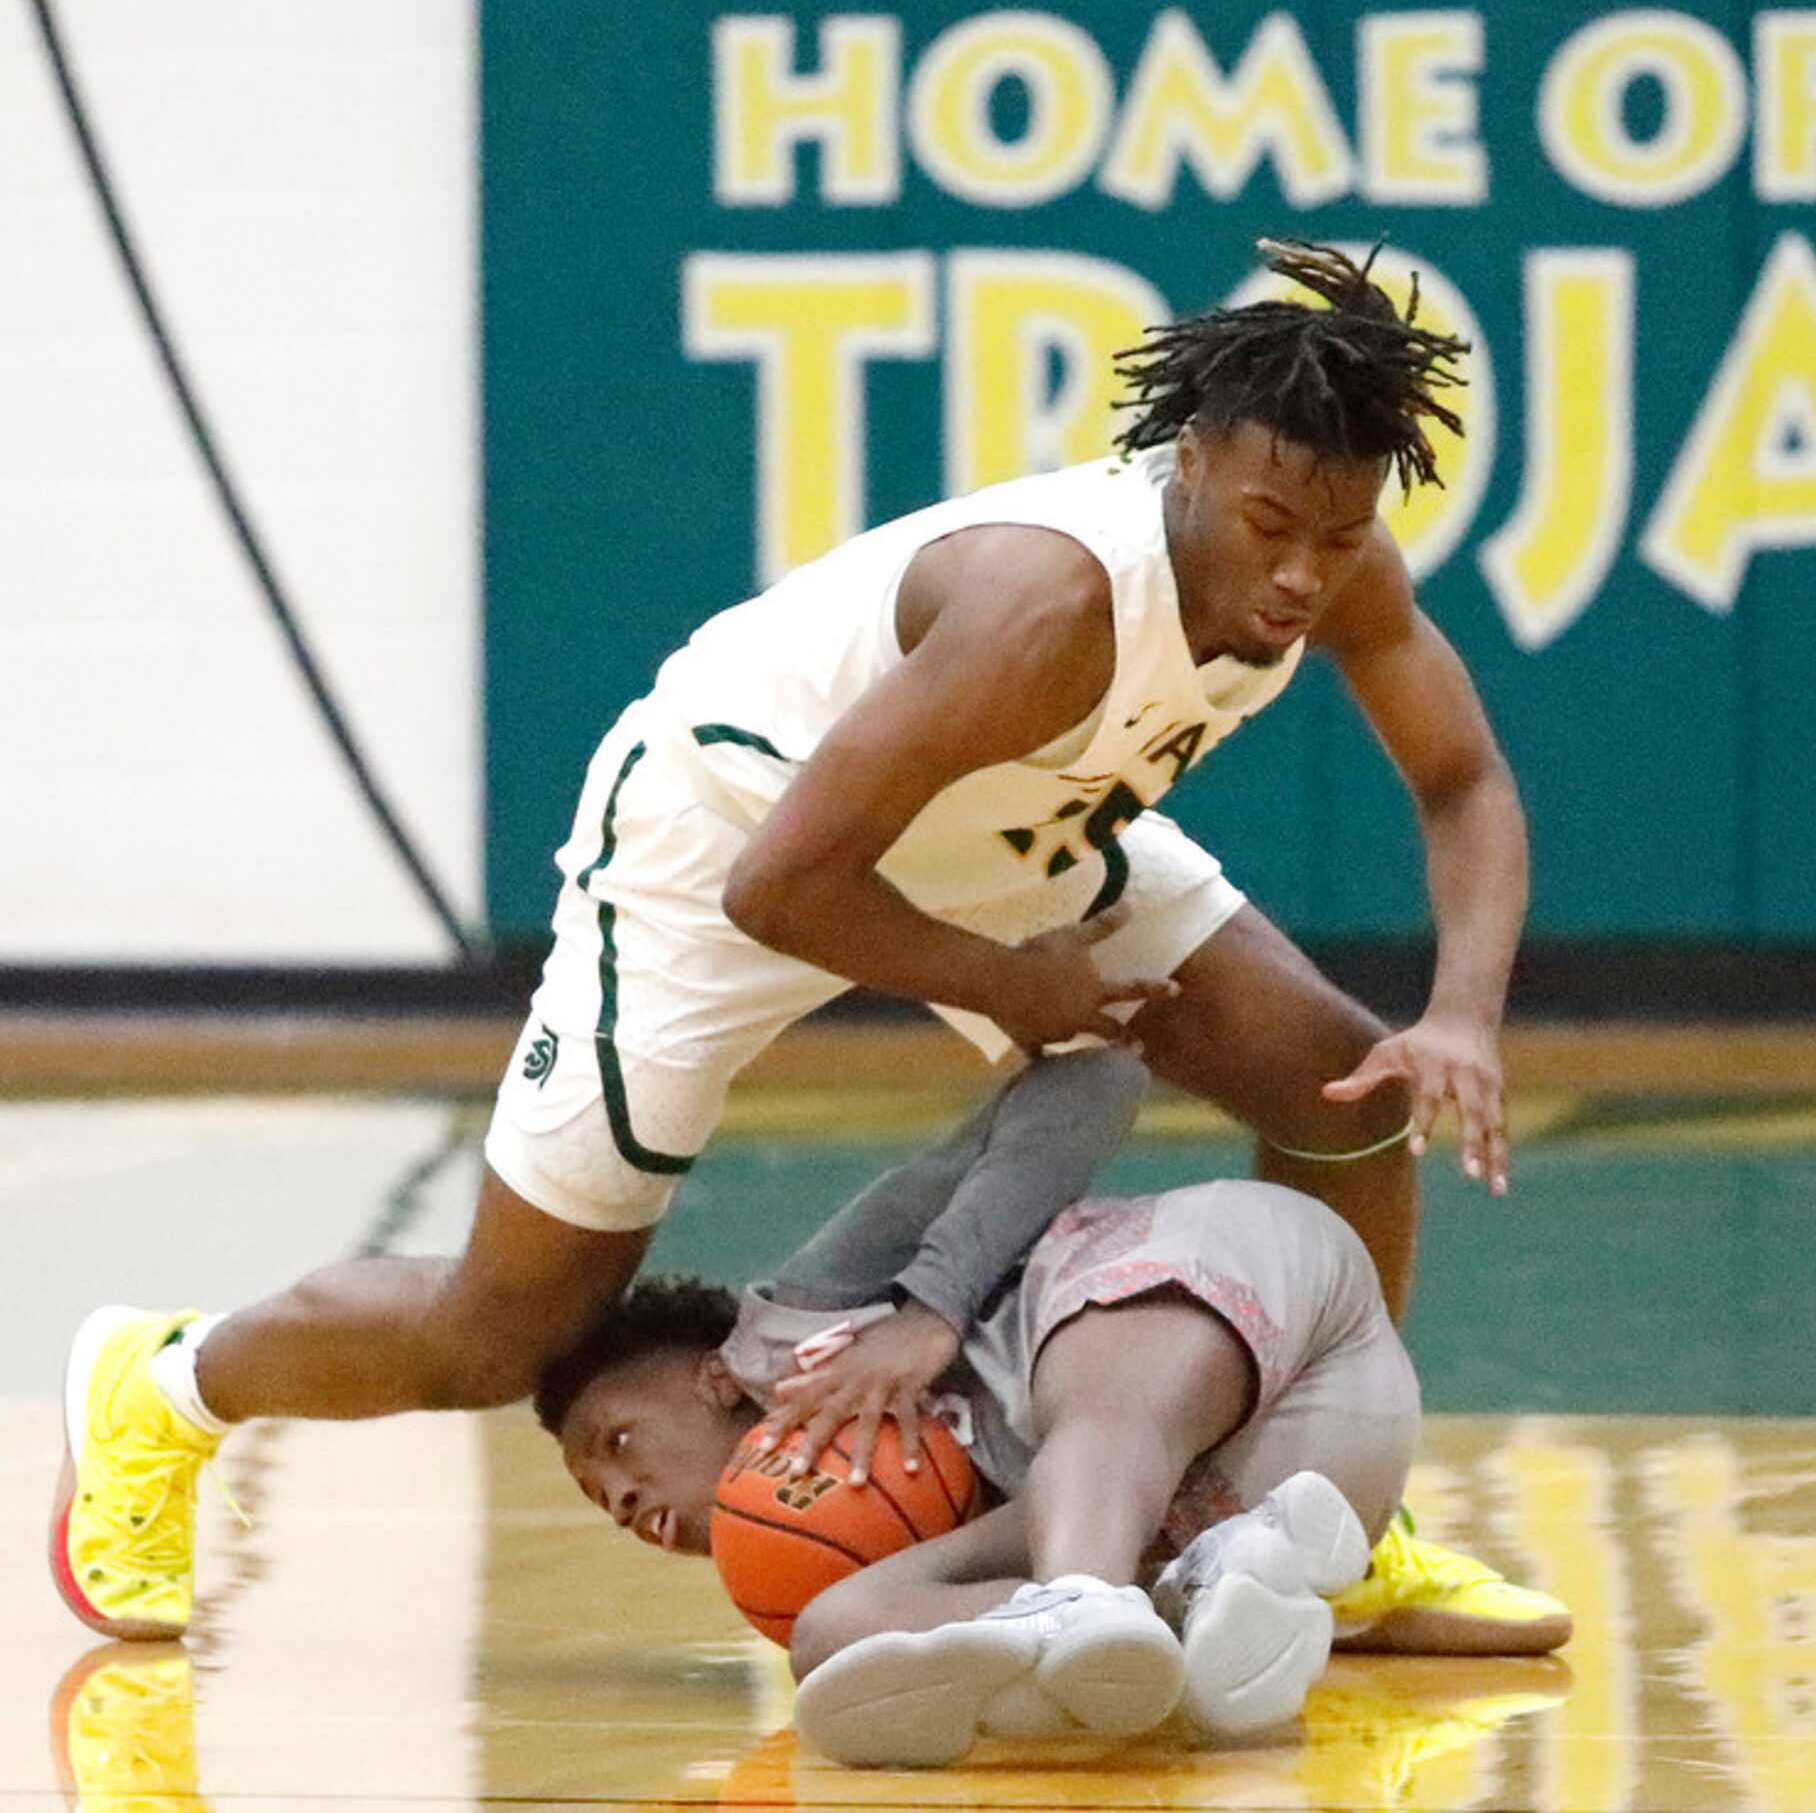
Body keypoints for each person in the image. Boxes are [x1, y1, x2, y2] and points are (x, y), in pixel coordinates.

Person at [55, 238, 1531, 1644]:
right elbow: (785, 890)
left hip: (1006, 829)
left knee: (1349, 1091)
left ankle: (1319, 1517)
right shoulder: (1052, 603)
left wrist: (1459, 1009)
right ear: (1187, 460)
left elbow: (1461, 782)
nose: (1297, 577)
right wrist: (1024, 990)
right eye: (1270, 530)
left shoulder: (1340, 571)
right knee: (496, 1334)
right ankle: (165, 1383)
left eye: (1334, 540)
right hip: (730, 839)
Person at [531, 1047, 1569, 1767]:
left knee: (1080, 1404)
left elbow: (1094, 1079)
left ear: (710, 1375)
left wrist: (932, 1310)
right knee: (835, 1634)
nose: (622, 1498)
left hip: (1252, 1302)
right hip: (1292, 1487)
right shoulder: (812, 1549)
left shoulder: (796, 1320)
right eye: (602, 1500)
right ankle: (1201, 1615)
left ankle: (1097, 1603)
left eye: (614, 1443)